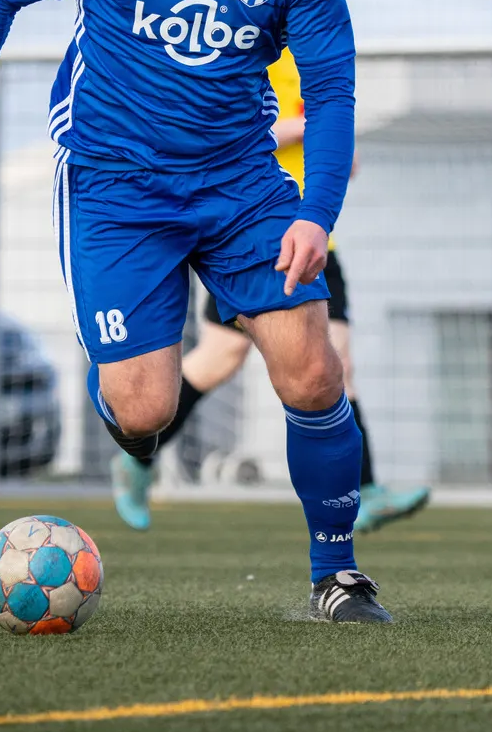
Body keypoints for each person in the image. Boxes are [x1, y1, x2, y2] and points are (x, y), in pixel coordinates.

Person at [0, 0, 392, 622]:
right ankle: (128, 421)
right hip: (116, 184)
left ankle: (337, 575)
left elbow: (331, 93)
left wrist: (314, 215)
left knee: (313, 372)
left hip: (240, 182)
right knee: (145, 412)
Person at [109, 45, 430, 535]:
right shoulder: (243, 49)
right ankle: (137, 456)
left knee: (338, 363)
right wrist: (299, 130)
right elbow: (222, 136)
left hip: (316, 239)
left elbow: (331, 132)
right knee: (218, 359)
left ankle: (365, 491)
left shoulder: (312, 59)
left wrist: (338, 149)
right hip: (255, 239)